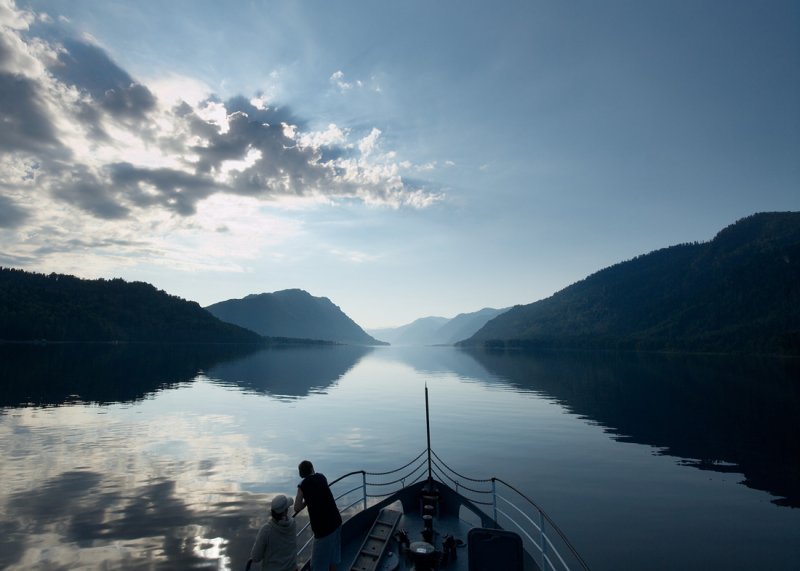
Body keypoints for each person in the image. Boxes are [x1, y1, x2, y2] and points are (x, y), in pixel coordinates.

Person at [294, 460, 342, 571]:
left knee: (317, 566)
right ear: (312, 469)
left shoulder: (303, 485)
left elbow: (296, 507)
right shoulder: (322, 477)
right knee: (332, 559)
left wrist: (306, 501)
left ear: (301, 473)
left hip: (323, 530)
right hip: (336, 521)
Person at [247, 494, 298, 571]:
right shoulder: (292, 524)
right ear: (285, 511)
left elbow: (255, 558)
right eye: (287, 508)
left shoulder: (266, 530)